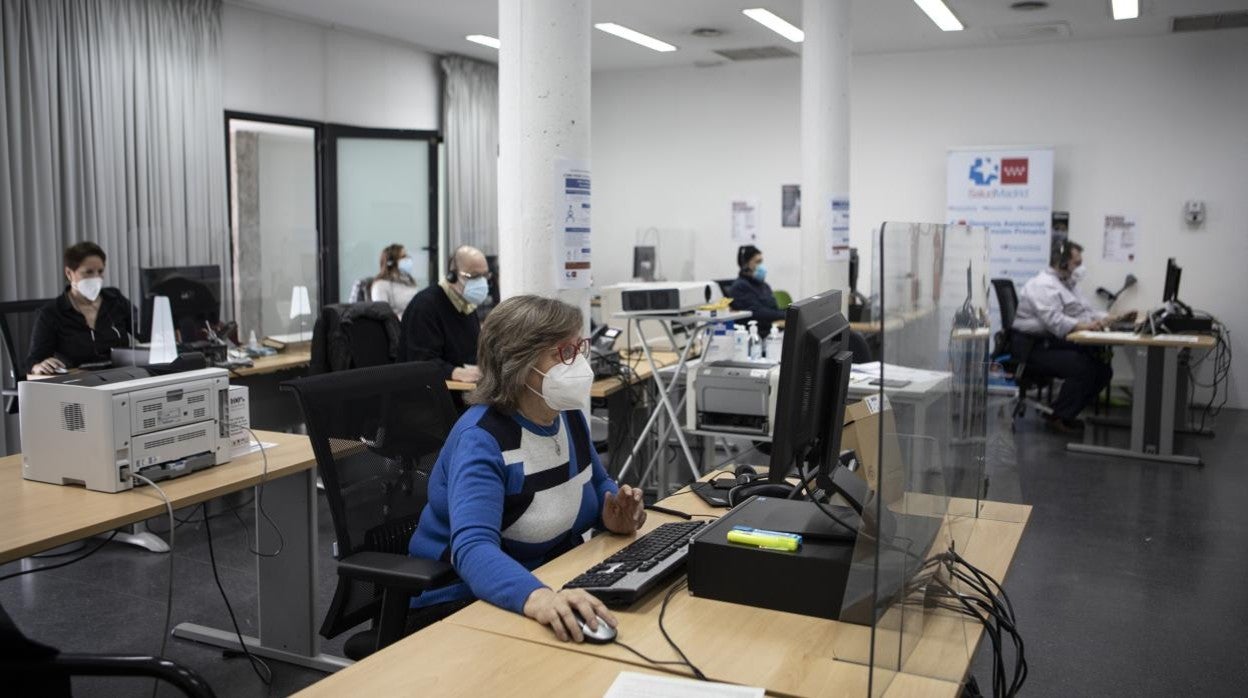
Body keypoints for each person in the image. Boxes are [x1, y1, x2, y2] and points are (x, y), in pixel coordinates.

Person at [407, 295, 646, 642]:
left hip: (550, 575)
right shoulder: (482, 439)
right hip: (460, 599)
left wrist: (614, 514)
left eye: (579, 348)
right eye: (563, 353)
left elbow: (595, 485)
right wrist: (540, 597)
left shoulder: (567, 417)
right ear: (517, 363)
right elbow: (473, 549)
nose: (577, 362)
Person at [1013, 239, 1136, 433]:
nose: (1080, 267)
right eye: (1077, 263)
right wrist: (1085, 326)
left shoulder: (1068, 284)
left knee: (1103, 370)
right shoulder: (1042, 285)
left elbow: (1085, 311)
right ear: (1062, 263)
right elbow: (1054, 321)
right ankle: (1058, 416)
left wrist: (1113, 318)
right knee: (1082, 367)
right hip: (1031, 347)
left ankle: (1064, 412)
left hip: (1049, 342)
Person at [27, 242, 133, 375]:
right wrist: (38, 366)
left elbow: (146, 331)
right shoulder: (52, 312)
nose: (96, 278)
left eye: (100, 272)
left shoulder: (115, 300)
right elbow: (33, 360)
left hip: (120, 375)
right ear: (69, 273)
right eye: (88, 272)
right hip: (78, 382)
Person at [399, 245, 489, 382]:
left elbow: (471, 354)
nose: (482, 282)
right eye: (474, 276)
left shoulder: (466, 304)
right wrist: (456, 372)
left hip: (466, 388)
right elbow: (421, 362)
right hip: (432, 393)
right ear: (452, 276)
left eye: (485, 275)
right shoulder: (425, 306)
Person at [727, 244, 785, 337]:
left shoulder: (764, 286)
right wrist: (782, 319)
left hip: (773, 331)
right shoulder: (740, 287)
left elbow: (773, 309)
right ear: (745, 265)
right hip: (755, 335)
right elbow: (757, 313)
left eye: (762, 262)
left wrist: (786, 316)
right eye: (758, 262)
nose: (761, 266)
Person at [370, 243, 420, 316]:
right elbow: (382, 314)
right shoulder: (380, 285)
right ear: (390, 262)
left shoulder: (409, 281)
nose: (408, 259)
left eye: (407, 256)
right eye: (403, 257)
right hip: (398, 325)